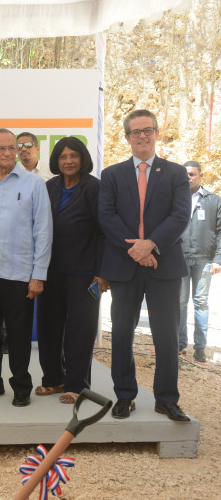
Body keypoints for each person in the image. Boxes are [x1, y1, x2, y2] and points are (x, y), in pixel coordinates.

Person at [99, 109, 191, 422]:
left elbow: (180, 216)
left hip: (163, 265)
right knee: (121, 333)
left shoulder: (175, 173)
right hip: (124, 266)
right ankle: (125, 396)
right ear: (127, 137)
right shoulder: (112, 175)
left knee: (166, 336)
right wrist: (136, 250)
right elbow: (107, 217)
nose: (142, 136)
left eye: (147, 130)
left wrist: (151, 244)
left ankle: (166, 399)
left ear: (157, 133)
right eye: (136, 131)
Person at [0, 128, 52, 408]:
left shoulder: (33, 184)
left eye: (11, 148)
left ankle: (21, 386)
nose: (7, 153)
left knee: (18, 334)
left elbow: (43, 231)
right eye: (1, 148)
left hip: (19, 273)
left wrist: (38, 275)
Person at [36, 137, 107, 404]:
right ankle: (53, 379)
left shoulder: (94, 188)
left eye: (73, 156)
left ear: (82, 158)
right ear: (56, 160)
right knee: (48, 328)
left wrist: (102, 273)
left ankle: (77, 385)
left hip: (85, 274)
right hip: (51, 271)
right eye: (63, 156)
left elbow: (104, 232)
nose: (68, 161)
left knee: (80, 330)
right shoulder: (50, 186)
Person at [178, 160, 221, 363]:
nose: (188, 177)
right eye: (185, 174)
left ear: (200, 176)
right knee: (180, 302)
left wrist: (218, 259)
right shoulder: (176, 199)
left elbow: (220, 232)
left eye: (192, 174)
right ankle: (180, 344)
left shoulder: (213, 201)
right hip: (179, 258)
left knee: (201, 303)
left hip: (204, 260)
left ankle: (200, 348)